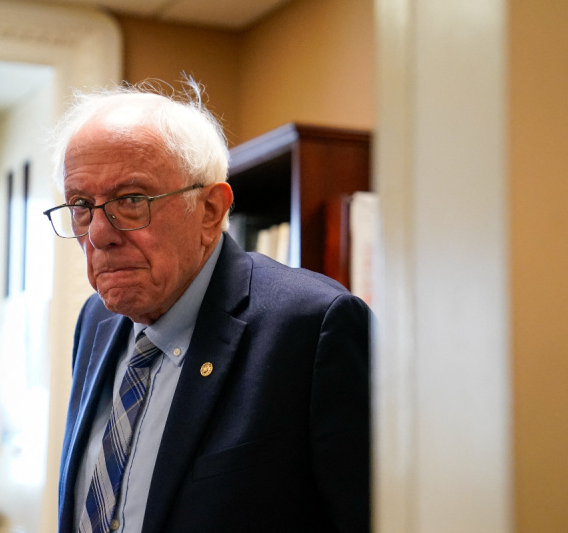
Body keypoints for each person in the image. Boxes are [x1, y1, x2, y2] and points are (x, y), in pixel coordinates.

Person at [46, 80, 371, 533]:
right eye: (81, 205)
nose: (99, 233)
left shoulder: (314, 327)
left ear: (211, 210)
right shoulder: (97, 319)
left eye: (131, 200)